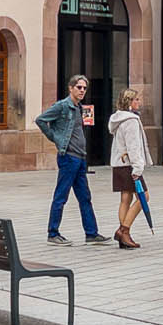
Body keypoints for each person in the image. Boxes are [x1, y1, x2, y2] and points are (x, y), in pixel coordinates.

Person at [34, 75, 109, 245]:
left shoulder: (79, 108)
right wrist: (57, 139)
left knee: (85, 197)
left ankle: (91, 233)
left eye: (84, 88)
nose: (82, 90)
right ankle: (53, 233)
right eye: (79, 87)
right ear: (71, 88)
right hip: (68, 158)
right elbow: (40, 120)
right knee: (61, 196)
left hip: (80, 158)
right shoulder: (62, 106)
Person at [105, 88, 152, 250]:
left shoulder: (118, 119)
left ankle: (124, 235)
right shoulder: (131, 120)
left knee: (126, 198)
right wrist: (138, 167)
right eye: (136, 99)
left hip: (119, 163)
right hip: (129, 165)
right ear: (129, 102)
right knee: (143, 197)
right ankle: (123, 230)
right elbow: (133, 146)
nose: (139, 102)